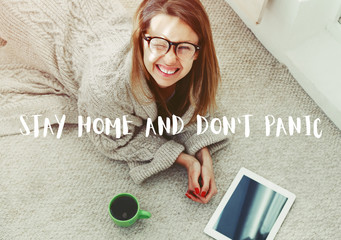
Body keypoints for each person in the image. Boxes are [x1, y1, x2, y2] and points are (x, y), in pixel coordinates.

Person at [0, 0, 228, 204]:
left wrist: (204, 157)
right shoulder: (105, 88)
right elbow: (116, 139)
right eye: (159, 43)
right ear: (140, 40)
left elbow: (188, 112)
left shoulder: (196, 71)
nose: (170, 59)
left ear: (198, 51)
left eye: (183, 47)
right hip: (42, 23)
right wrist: (185, 159)